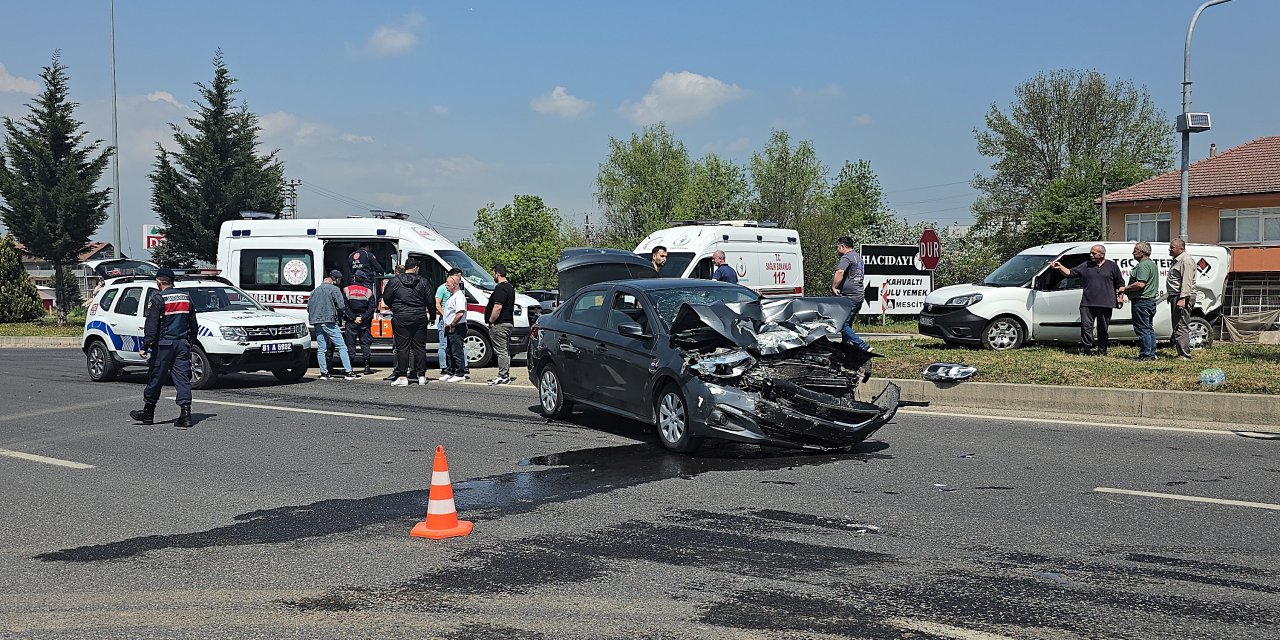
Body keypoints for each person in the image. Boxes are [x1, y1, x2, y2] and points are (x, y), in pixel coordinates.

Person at [130, 268, 198, 428]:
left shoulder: (158, 299)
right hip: (182, 344)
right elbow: (193, 323)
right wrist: (190, 341)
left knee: (156, 378)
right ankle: (186, 415)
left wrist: (146, 345)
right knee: (182, 378)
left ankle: (148, 413)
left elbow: (152, 324)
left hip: (163, 346)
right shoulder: (185, 297)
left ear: (159, 281)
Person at [1049, 244, 1125, 356]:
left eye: (1094, 253)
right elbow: (1070, 273)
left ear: (1102, 254)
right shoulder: (1086, 265)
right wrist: (1060, 267)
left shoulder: (1112, 266)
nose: (1091, 255)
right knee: (1086, 327)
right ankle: (1087, 350)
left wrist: (1120, 297)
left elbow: (1120, 283)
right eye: (1091, 252)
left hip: (1105, 303)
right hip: (1087, 303)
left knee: (1102, 329)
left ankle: (1102, 351)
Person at [381, 257, 436, 386]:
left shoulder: (394, 281)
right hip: (419, 316)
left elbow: (386, 297)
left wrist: (395, 307)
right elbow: (430, 301)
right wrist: (432, 316)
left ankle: (402, 376)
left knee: (402, 347)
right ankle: (421, 376)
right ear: (416, 267)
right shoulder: (423, 282)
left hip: (401, 316)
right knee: (420, 347)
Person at [309, 270, 357, 380]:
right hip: (329, 321)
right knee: (342, 346)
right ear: (336, 279)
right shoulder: (334, 289)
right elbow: (341, 305)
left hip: (316, 322)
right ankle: (349, 372)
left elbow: (308, 308)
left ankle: (324, 373)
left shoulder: (314, 291)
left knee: (322, 348)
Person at [1119, 242, 1160, 361]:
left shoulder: (1143, 265)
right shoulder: (1151, 264)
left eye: (1135, 250)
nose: (1133, 253)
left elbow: (1141, 284)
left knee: (1142, 329)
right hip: (1150, 301)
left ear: (1141, 253)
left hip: (1142, 301)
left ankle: (1146, 355)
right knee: (1148, 328)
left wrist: (1125, 288)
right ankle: (1151, 353)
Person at [832, 237, 871, 351]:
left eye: (838, 247)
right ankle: (846, 349)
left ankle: (862, 345)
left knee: (841, 324)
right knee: (847, 323)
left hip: (850, 296)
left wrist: (834, 287)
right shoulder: (858, 258)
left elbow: (840, 272)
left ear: (842, 246)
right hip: (858, 295)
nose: (837, 249)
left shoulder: (846, 257)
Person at [1167, 238, 1198, 360]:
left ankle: (1185, 354)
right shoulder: (1177, 261)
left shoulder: (1186, 260)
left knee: (1181, 325)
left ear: (1181, 248)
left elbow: (1186, 281)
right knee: (1177, 325)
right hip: (1177, 295)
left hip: (1183, 296)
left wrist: (1183, 298)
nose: (1170, 249)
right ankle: (1181, 352)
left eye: (1172, 247)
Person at [486, 263, 516, 385]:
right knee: (505, 350)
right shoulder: (510, 287)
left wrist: (491, 320)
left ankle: (503, 375)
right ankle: (505, 374)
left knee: (501, 351)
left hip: (500, 323)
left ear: (497, 273)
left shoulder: (501, 288)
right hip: (508, 322)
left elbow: (497, 307)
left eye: (493, 273)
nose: (493, 275)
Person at [343, 272, 378, 375]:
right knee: (365, 344)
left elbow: (344, 306)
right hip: (364, 322)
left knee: (350, 344)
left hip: (351, 322)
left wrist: (354, 318)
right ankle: (367, 367)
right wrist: (362, 318)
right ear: (363, 280)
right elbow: (372, 308)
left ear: (354, 278)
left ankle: (349, 368)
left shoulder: (346, 290)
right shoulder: (368, 291)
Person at [435, 267, 462, 377]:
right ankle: (444, 367)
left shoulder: (458, 291)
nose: (460, 279)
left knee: (457, 345)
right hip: (445, 320)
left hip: (452, 320)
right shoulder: (442, 288)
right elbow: (437, 304)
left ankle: (460, 367)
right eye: (459, 276)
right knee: (444, 344)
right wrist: (445, 316)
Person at [441, 277, 469, 382]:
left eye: (447, 283)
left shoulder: (459, 297)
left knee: (457, 350)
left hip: (457, 327)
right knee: (449, 350)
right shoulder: (453, 296)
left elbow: (460, 313)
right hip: (450, 327)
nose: (445, 284)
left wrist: (453, 324)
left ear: (454, 285)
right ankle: (450, 371)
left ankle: (460, 373)